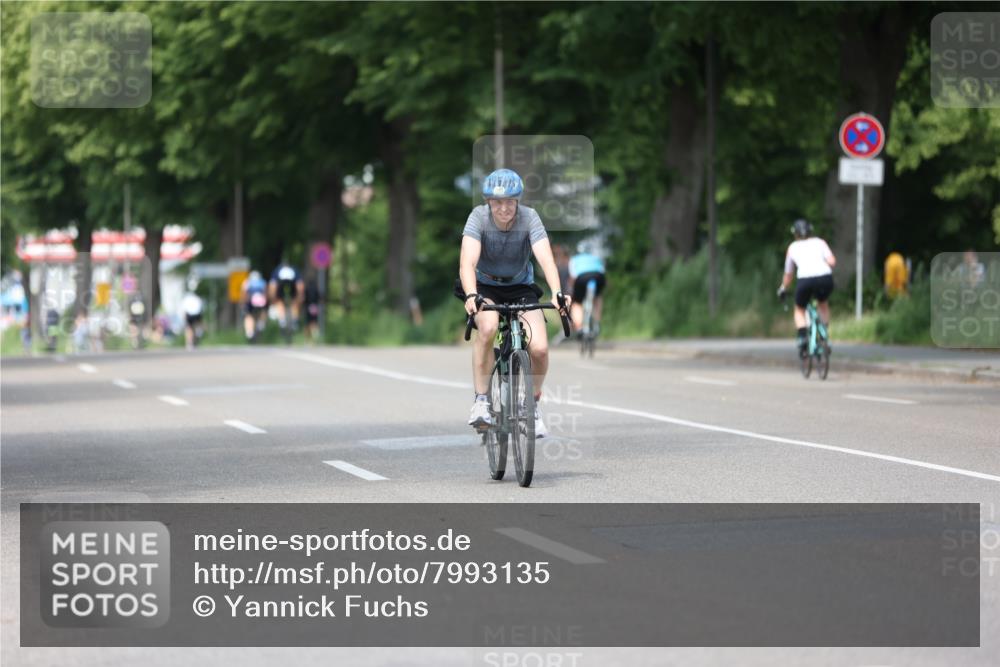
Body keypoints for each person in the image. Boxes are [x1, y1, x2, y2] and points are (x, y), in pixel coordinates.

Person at [457, 168, 570, 438]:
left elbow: (545, 259)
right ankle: (481, 402)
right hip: (484, 285)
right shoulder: (478, 217)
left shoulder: (529, 218)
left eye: (510, 201)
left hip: (520, 286)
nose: (504, 208)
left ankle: (530, 406)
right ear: (489, 202)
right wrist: (472, 295)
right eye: (498, 202)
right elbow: (467, 262)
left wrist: (556, 292)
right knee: (487, 328)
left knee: (540, 349)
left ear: (518, 200)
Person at [777, 219, 836, 356]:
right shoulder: (820, 242)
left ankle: (803, 337)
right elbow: (832, 262)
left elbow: (789, 274)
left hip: (805, 280)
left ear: (795, 234)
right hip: (825, 278)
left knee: (799, 309)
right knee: (823, 304)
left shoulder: (793, 247)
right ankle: (824, 336)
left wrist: (783, 288)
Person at [568, 242, 607, 335]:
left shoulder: (574, 259)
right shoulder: (596, 258)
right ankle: (597, 323)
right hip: (598, 277)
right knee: (597, 297)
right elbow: (602, 272)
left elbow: (573, 277)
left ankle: (579, 328)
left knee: (577, 303)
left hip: (582, 278)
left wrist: (572, 290)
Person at [268, 260, 304, 331]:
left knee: (279, 301)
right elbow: (300, 285)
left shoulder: (277, 270)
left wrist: (273, 298)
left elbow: (273, 285)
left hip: (281, 286)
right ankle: (294, 321)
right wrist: (300, 296)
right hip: (292, 286)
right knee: (295, 302)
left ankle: (282, 321)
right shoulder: (294, 269)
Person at [241, 270, 268, 341]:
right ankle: (261, 324)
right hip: (261, 300)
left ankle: (249, 332)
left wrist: (243, 303)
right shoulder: (262, 282)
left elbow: (244, 294)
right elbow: (265, 293)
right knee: (263, 312)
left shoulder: (247, 282)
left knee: (248, 315)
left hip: (250, 301)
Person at [181, 281, 204, 351]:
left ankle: (190, 342)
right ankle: (192, 342)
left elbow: (184, 307)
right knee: (194, 328)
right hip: (196, 313)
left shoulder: (187, 296)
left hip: (192, 314)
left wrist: (184, 315)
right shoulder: (197, 296)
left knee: (189, 329)